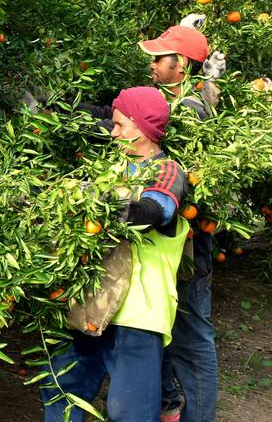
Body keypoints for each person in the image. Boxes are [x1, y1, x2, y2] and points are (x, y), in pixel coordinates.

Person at [77, 24, 218, 422]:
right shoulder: (159, 102)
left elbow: (140, 134)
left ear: (183, 65)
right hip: (145, 243)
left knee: (190, 335)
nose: (152, 65)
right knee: (162, 337)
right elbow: (117, 119)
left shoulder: (194, 109)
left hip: (177, 232)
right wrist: (67, 112)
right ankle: (167, 404)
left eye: (159, 58)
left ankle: (194, 415)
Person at [42, 86, 191, 422]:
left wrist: (98, 202)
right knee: (62, 390)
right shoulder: (110, 168)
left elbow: (153, 211)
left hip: (136, 313)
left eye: (121, 124)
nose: (113, 131)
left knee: (131, 411)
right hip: (89, 301)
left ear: (141, 128)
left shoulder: (166, 170)